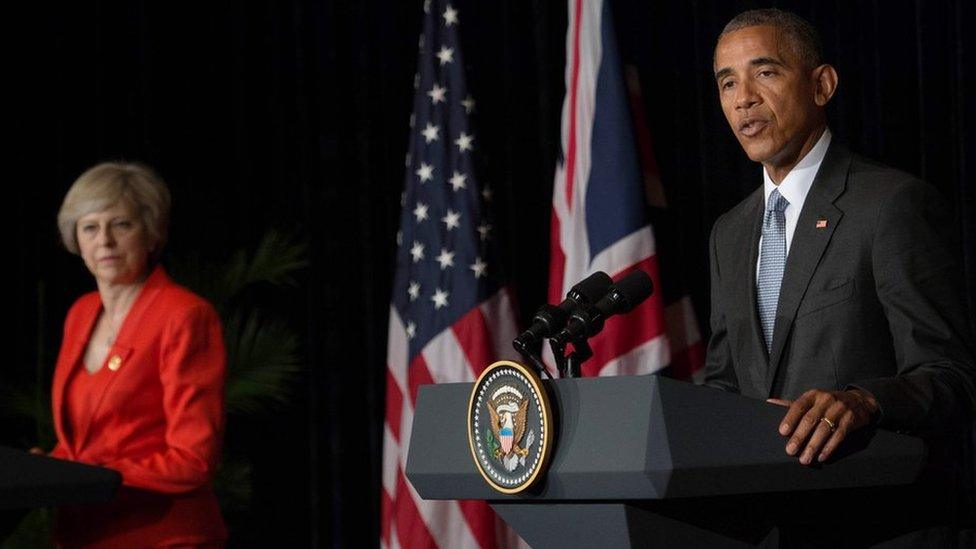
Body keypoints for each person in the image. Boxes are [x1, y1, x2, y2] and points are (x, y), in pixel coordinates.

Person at [703, 8, 975, 543]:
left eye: (765, 72)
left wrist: (864, 401)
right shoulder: (728, 233)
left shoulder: (890, 204)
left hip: (880, 528)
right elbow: (725, 386)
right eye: (727, 82)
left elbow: (953, 377)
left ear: (822, 85)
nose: (744, 98)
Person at [48, 162, 227, 547]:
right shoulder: (81, 313)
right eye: (90, 227)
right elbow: (85, 445)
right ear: (76, 240)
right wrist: (44, 467)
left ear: (151, 234)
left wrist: (85, 476)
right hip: (86, 533)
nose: (105, 241)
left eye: (122, 225)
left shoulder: (183, 315)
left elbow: (193, 460)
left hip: (162, 534)